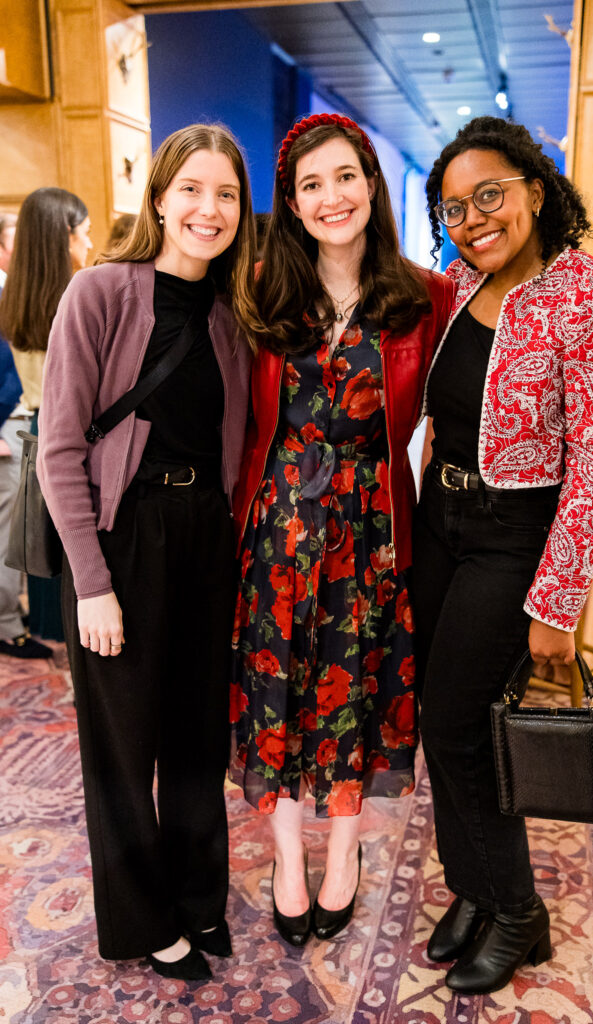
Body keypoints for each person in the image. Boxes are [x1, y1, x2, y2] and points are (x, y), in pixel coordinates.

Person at [412, 116, 593, 994]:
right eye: (453, 206)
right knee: (437, 722)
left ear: (536, 187)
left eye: (490, 195)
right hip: (436, 526)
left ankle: (517, 909)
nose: (473, 218)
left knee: (457, 723)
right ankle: (473, 890)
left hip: (513, 537)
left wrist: (556, 606)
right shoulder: (454, 287)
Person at [36, 124, 256, 980]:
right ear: (159, 197)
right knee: (124, 743)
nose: (208, 209)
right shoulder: (99, 292)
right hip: (123, 540)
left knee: (199, 740)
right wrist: (91, 584)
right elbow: (59, 450)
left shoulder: (234, 313)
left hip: (208, 537)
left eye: (226, 194)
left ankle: (200, 899)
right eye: (192, 190)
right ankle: (142, 917)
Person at [229, 112, 455, 947]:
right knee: (276, 696)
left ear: (370, 184)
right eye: (310, 184)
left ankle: (344, 856)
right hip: (278, 536)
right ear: (289, 202)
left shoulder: (421, 295)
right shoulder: (258, 288)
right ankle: (289, 857)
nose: (331, 197)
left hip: (372, 535)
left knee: (355, 697)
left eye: (345, 177)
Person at [0, 189, 93, 646]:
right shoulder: (75, 299)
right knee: (79, 558)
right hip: (74, 435)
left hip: (38, 432)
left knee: (49, 555)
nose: (89, 245)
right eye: (84, 233)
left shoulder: (16, 296)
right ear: (65, 238)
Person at [0, 211, 50, 659]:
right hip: (15, 427)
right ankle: (8, 626)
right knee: (11, 536)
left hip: (25, 425)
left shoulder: (19, 292)